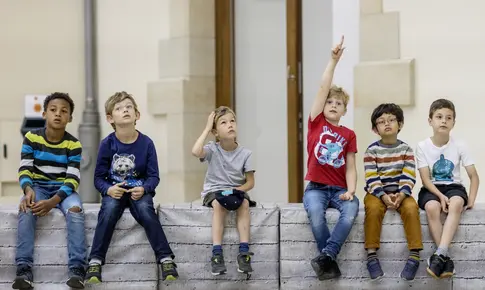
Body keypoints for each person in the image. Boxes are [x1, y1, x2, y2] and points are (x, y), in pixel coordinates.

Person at [85, 91, 178, 284]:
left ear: (137, 114)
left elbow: (154, 176)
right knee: (109, 209)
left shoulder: (146, 143)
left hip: (139, 191)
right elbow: (98, 178)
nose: (125, 110)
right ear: (110, 118)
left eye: (129, 107)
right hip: (115, 190)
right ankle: (95, 261)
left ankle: (165, 258)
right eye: (119, 108)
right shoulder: (107, 144)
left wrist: (144, 189)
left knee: (145, 209)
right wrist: (108, 190)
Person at [13, 92, 87, 289]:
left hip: (64, 190)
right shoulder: (31, 138)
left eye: (64, 111)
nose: (58, 114)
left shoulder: (74, 144)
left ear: (70, 118)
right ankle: (23, 269)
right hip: (37, 187)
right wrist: (28, 190)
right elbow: (25, 168)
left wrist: (53, 201)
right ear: (44, 113)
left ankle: (78, 269)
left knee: (76, 212)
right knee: (27, 210)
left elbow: (72, 179)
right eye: (53, 110)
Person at [303, 36, 359, 281]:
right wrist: (333, 61)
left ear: (345, 110)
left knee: (350, 212)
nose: (333, 105)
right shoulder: (316, 123)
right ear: (323, 106)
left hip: (339, 190)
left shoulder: (349, 134)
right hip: (315, 188)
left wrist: (351, 190)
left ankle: (326, 257)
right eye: (330, 102)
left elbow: (351, 167)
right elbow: (323, 87)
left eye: (339, 103)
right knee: (316, 215)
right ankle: (330, 259)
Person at [416, 98, 479, 279]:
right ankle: (446, 259)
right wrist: (439, 196)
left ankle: (440, 254)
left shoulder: (460, 145)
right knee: (432, 207)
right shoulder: (422, 146)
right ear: (430, 121)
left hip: (454, 187)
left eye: (448, 118)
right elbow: (425, 179)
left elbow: (474, 176)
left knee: (457, 202)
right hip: (432, 188)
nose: (444, 121)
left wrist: (472, 200)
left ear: (453, 123)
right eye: (439, 117)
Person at [191, 106, 256, 276]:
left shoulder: (246, 153)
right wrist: (206, 129)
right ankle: (217, 254)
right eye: (224, 122)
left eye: (232, 121)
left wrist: (236, 190)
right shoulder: (212, 149)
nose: (230, 125)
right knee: (218, 206)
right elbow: (195, 151)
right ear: (216, 132)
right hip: (215, 191)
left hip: (236, 190)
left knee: (244, 203)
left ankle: (243, 253)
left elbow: (250, 183)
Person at [363, 103, 423, 281]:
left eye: (391, 120)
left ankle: (414, 254)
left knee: (412, 208)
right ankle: (372, 255)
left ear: (400, 124)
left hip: (401, 192)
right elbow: (371, 177)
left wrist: (402, 194)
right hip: (377, 193)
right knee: (373, 210)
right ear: (375, 129)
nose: (387, 123)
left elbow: (409, 175)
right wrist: (382, 195)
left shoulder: (406, 150)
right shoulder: (371, 151)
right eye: (381, 121)